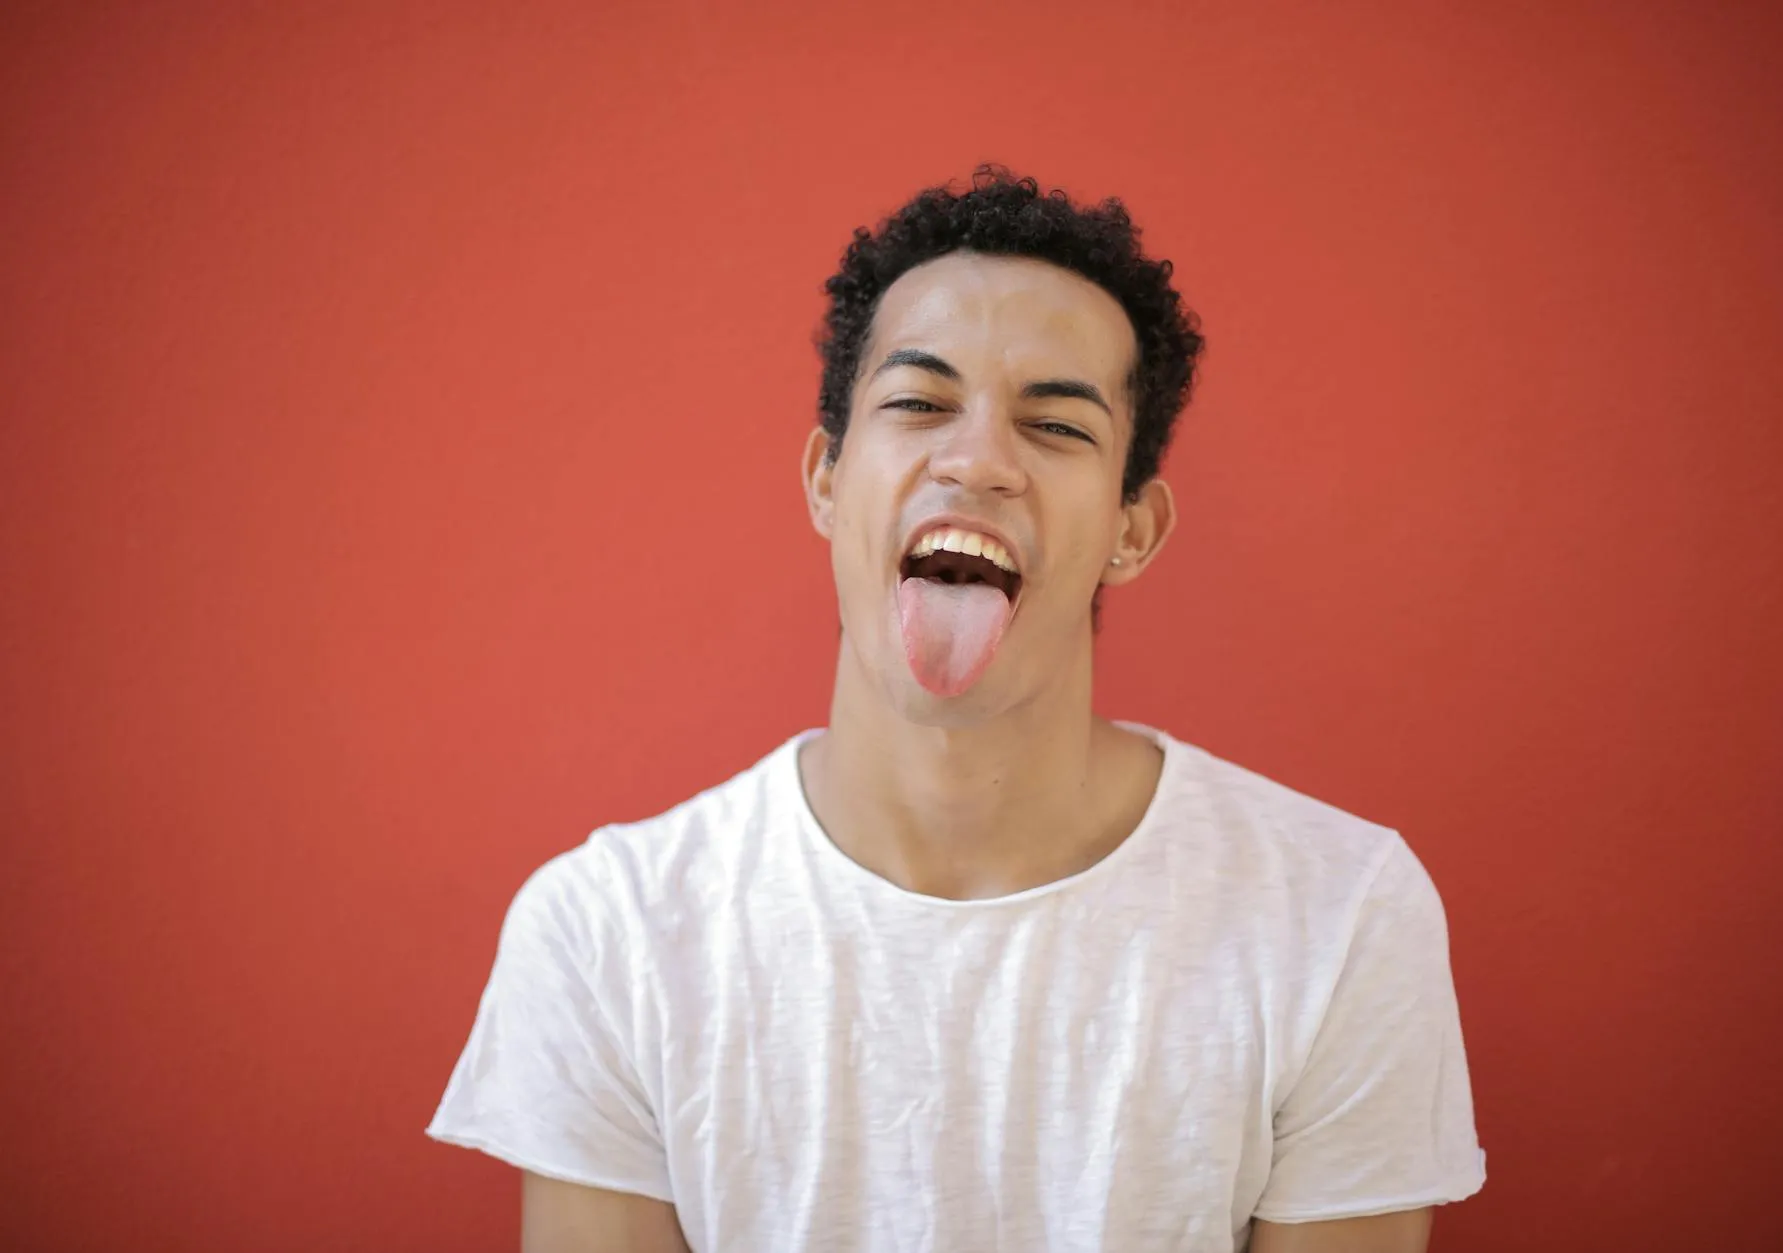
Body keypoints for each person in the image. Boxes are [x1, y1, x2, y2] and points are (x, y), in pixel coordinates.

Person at [427, 166, 1487, 1253]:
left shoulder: (1340, 916)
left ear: (1133, 528)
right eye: (919, 403)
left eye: (1057, 426)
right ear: (827, 480)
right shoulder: (609, 934)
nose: (976, 459)